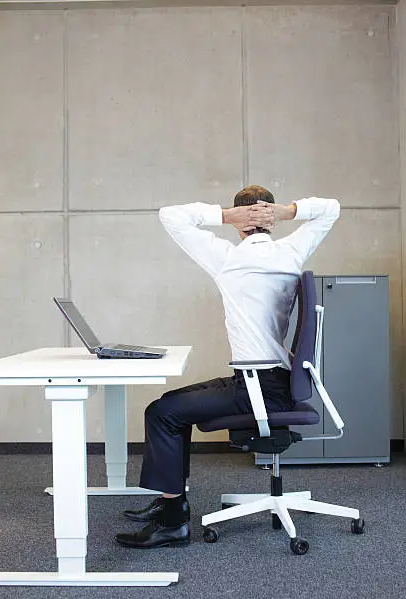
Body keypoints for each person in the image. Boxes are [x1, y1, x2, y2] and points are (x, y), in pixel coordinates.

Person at [115, 186, 340, 549]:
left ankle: (173, 522)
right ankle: (169, 500)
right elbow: (331, 207)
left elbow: (170, 214)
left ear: (239, 225)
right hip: (274, 382)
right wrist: (286, 211)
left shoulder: (226, 258)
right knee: (172, 401)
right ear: (271, 221)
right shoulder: (292, 250)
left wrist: (222, 216)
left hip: (257, 388)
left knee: (162, 413)